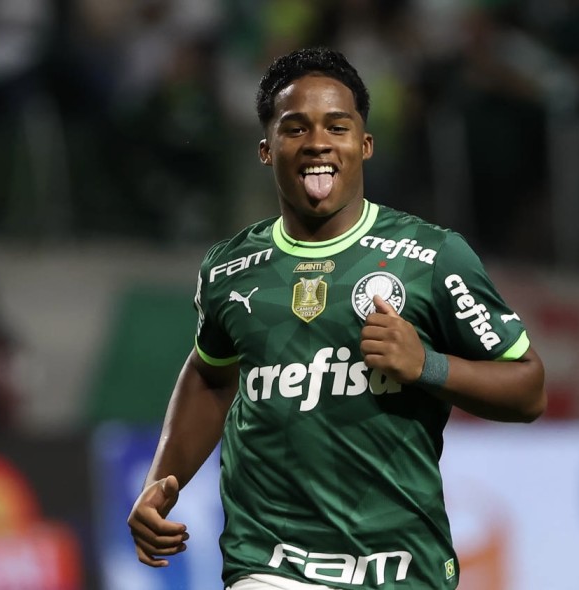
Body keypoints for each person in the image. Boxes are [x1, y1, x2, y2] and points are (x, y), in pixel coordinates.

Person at [127, 47, 546, 590]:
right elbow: (210, 375)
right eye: (295, 128)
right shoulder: (229, 269)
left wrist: (427, 365)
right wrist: (161, 481)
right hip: (269, 564)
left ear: (364, 144)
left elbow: (528, 389)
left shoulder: (433, 257)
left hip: (401, 568)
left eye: (337, 127)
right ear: (266, 149)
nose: (318, 142)